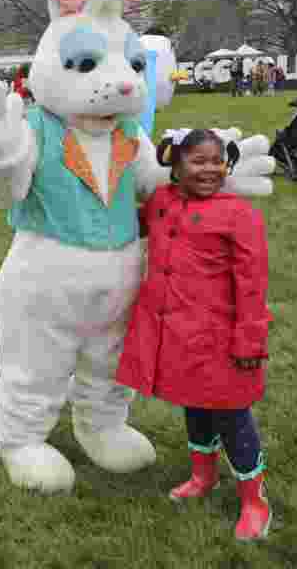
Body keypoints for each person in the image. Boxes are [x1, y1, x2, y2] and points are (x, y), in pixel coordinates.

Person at [115, 129, 272, 542]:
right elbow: (127, 225)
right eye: (197, 161)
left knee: (233, 416)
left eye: (216, 161)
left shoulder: (239, 214)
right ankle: (203, 477)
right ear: (175, 164)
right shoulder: (161, 203)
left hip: (221, 338)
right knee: (194, 405)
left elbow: (253, 284)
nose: (209, 169)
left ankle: (255, 500)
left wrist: (249, 341)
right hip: (179, 336)